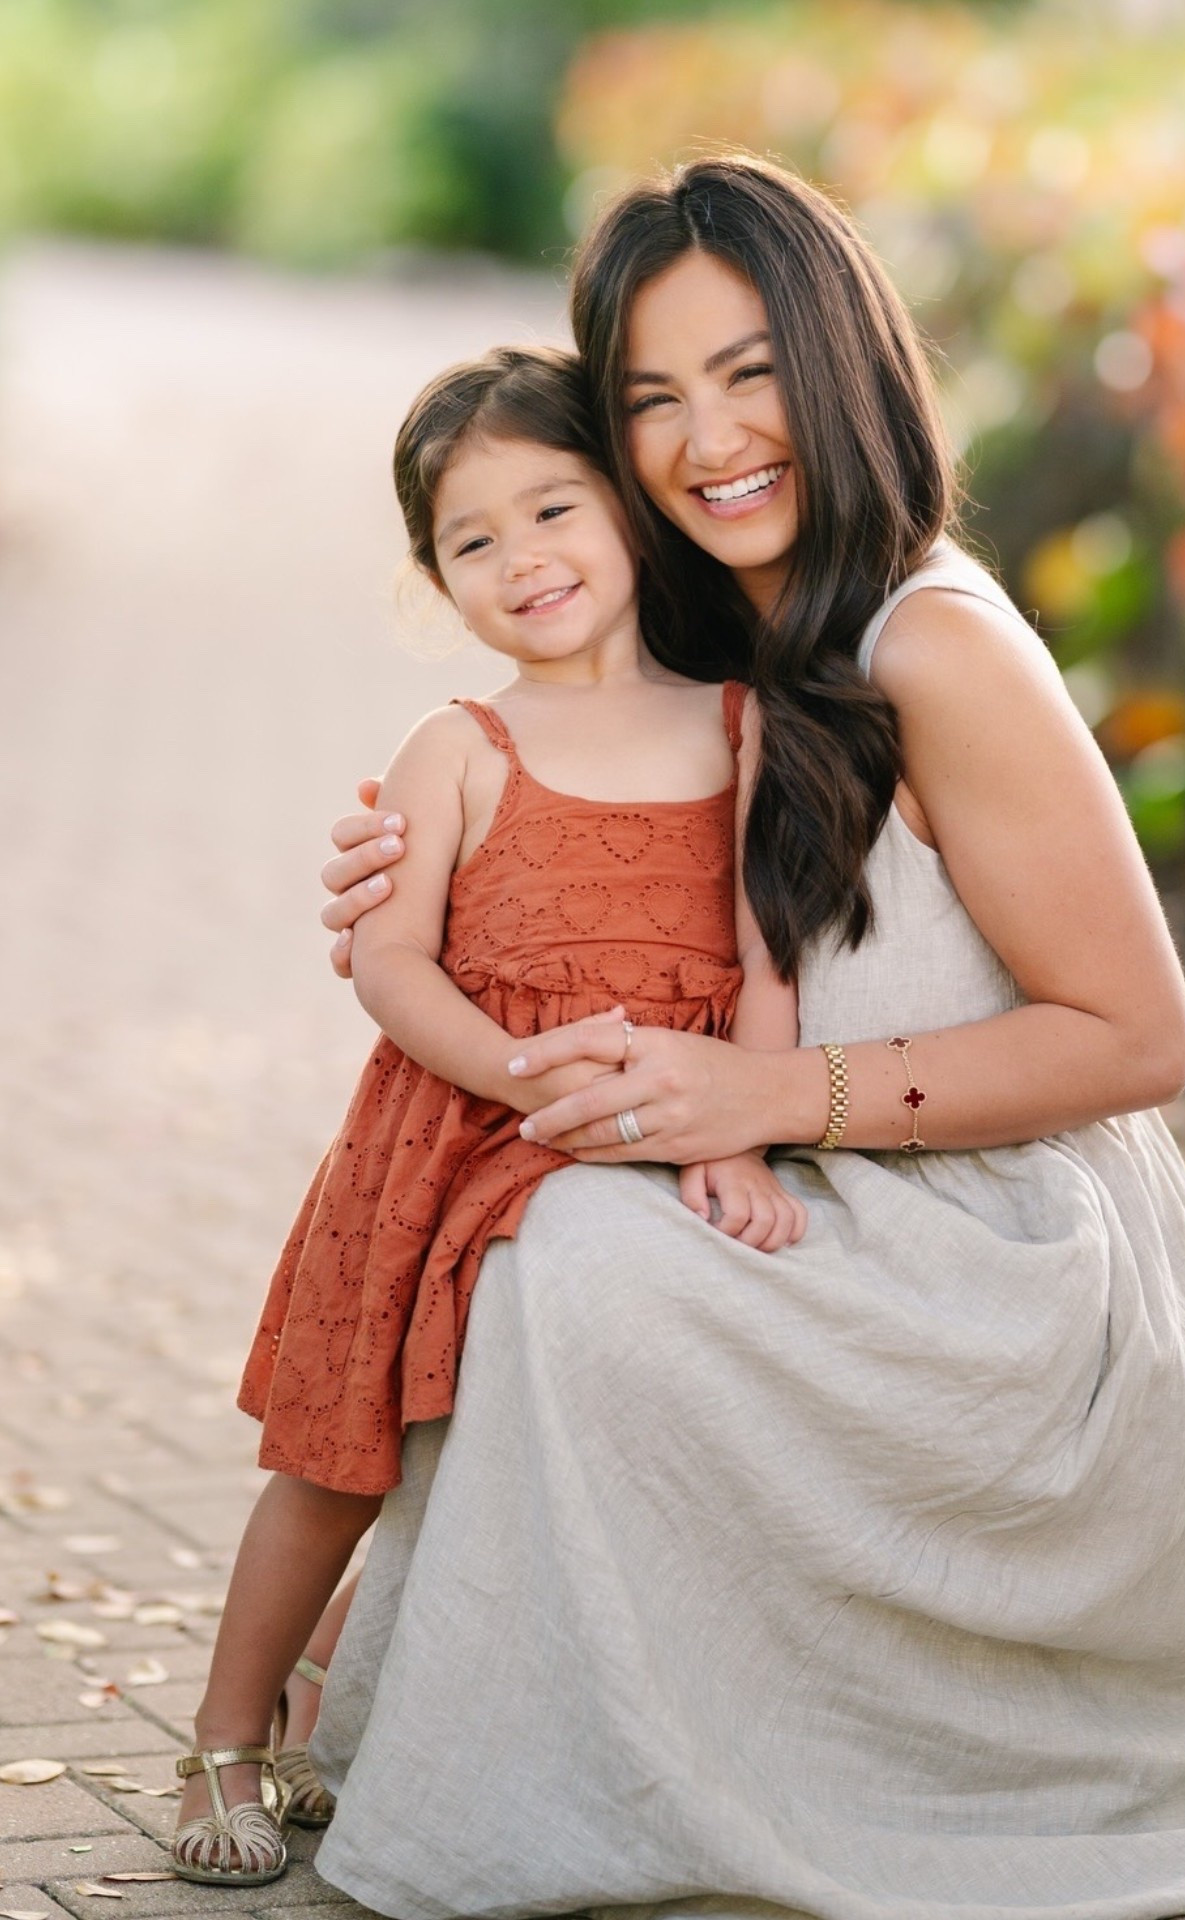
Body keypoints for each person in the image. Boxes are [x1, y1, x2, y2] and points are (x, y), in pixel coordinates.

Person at [309, 156, 1185, 1920]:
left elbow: (1140, 1038)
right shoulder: (714, 626)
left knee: (582, 1260)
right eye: (652, 398)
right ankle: (548, 1713)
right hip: (844, 1192)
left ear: (845, 366)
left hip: (1017, 1266)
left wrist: (765, 1091)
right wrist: (409, 889)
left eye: (751, 374)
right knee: (516, 1209)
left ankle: (731, 1764)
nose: (710, 439)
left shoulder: (937, 643)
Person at [170, 343, 807, 1889]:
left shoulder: (741, 726)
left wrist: (741, 1128)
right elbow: (390, 963)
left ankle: (335, 1688)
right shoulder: (460, 746)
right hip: (451, 1141)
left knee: (514, 1447)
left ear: (633, 512)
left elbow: (771, 949)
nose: (523, 558)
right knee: (343, 1461)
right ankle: (226, 1736)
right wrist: (515, 1071)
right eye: (474, 539)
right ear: (437, 580)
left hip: (652, 1140)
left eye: (554, 509)